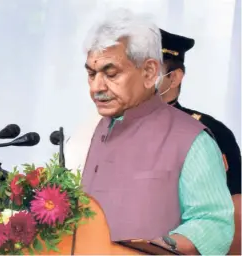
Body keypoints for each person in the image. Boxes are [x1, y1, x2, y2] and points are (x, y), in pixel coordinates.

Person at [81, 8, 234, 255]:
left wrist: (156, 247)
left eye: (111, 74)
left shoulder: (191, 139)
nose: (97, 87)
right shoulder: (99, 128)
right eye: (91, 74)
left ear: (150, 72)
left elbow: (214, 224)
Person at [158, 29, 241, 254]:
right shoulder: (114, 128)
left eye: (150, 70)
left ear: (173, 77)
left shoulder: (209, 133)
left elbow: (236, 210)